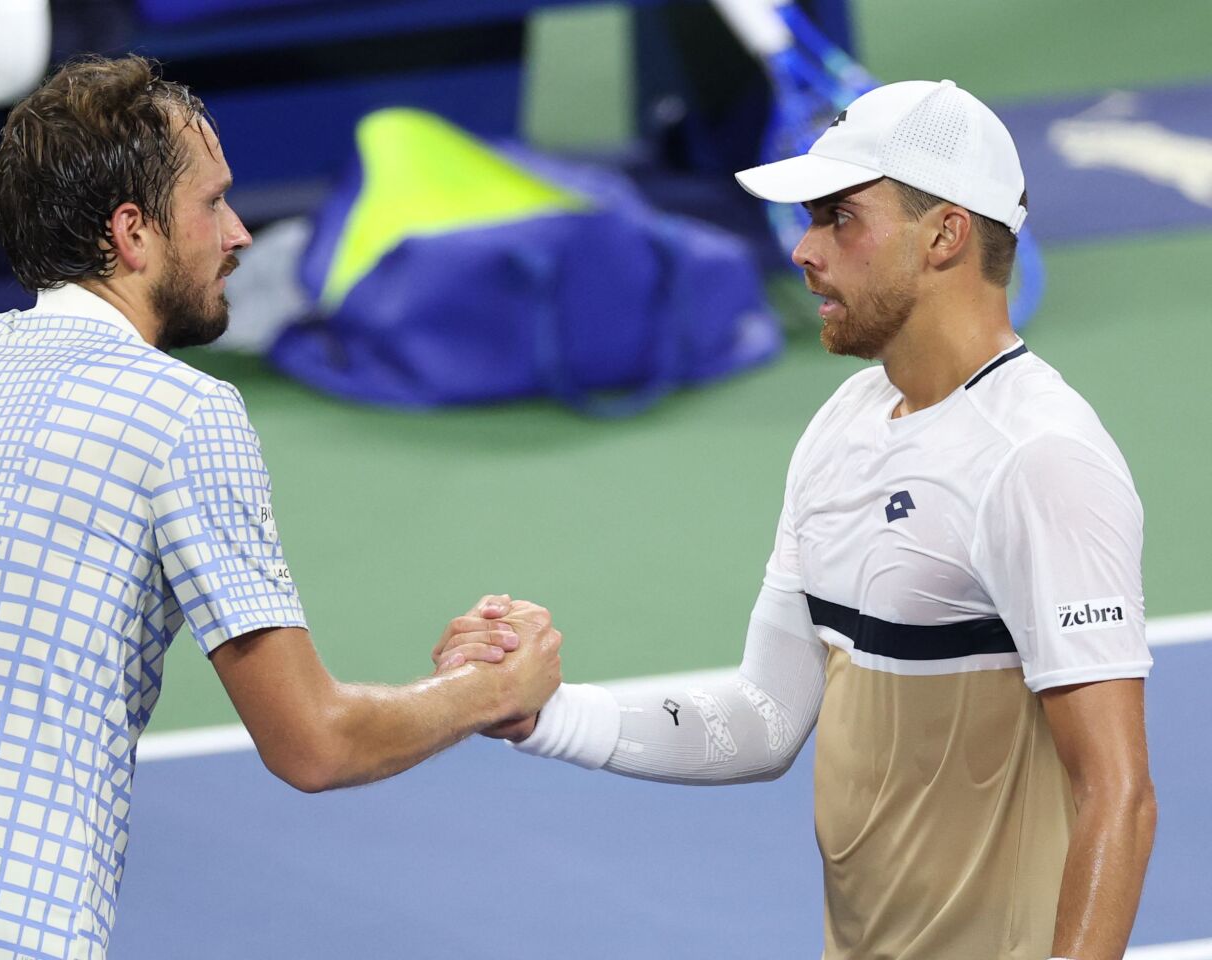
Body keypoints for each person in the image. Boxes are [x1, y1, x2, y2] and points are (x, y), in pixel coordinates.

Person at [0, 55, 561, 960]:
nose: (239, 234)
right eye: (212, 204)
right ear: (133, 234)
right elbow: (316, 742)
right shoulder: (183, 412)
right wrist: (492, 688)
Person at [437, 79, 1156, 960]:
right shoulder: (844, 427)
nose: (805, 250)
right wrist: (544, 714)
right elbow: (766, 715)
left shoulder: (1039, 460)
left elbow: (1116, 794)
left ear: (944, 235)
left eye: (839, 218)